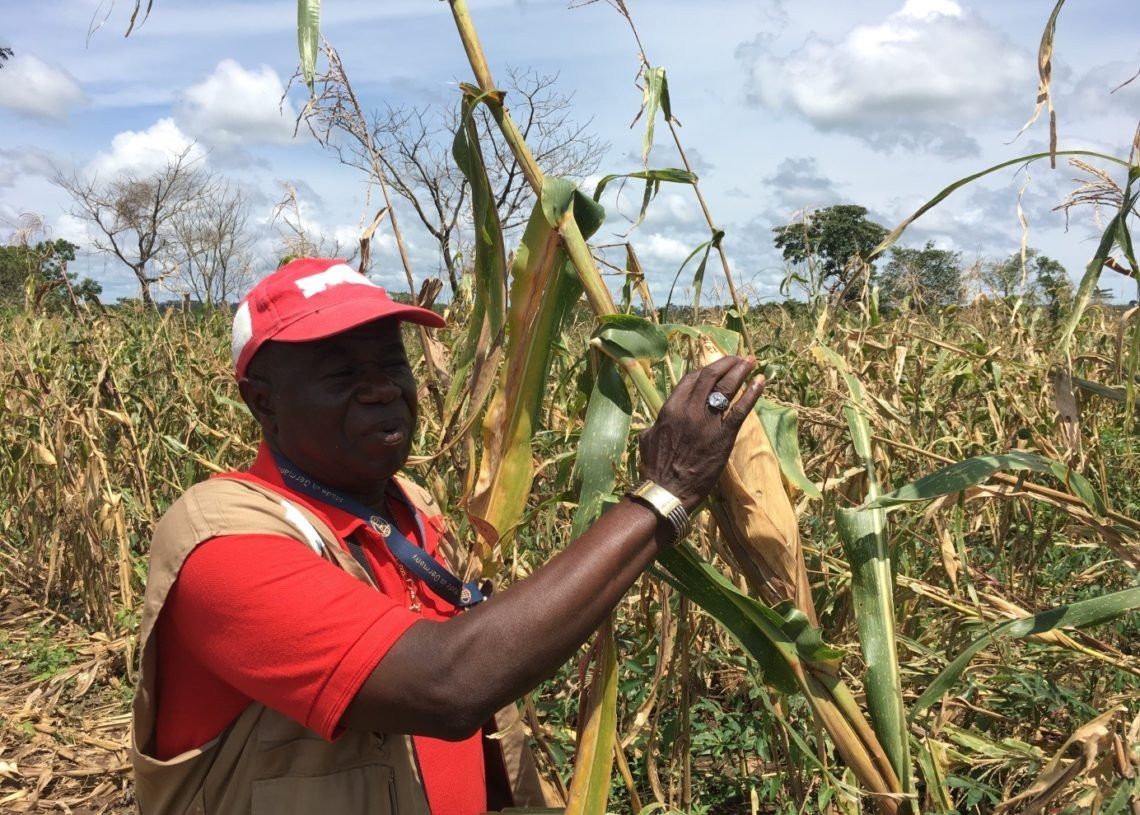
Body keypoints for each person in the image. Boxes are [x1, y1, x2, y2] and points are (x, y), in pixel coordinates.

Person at [130, 257, 764, 815]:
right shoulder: (221, 544)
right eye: (339, 372)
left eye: (389, 361)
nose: (382, 387)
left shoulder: (411, 512)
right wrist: (663, 496)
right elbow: (447, 685)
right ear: (262, 401)